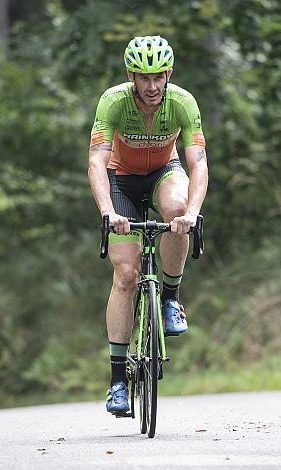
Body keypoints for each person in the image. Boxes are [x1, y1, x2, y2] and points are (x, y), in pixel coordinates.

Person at [88, 36, 208, 415]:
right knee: (126, 273)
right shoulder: (113, 101)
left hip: (163, 172)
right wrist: (108, 211)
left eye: (159, 77)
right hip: (121, 179)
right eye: (144, 78)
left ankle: (171, 299)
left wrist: (192, 212)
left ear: (168, 74)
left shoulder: (182, 102)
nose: (152, 86)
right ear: (132, 76)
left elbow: (198, 163)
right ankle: (118, 380)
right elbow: (96, 161)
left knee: (177, 208)